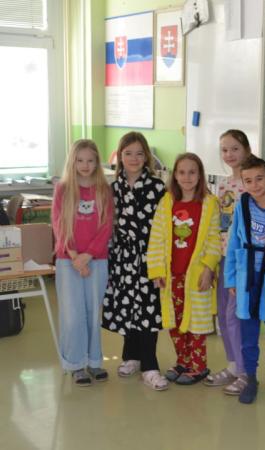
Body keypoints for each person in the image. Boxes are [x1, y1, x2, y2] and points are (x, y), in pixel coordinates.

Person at [147, 153, 220, 385]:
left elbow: (214, 239)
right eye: (181, 172)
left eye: (192, 172)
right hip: (172, 275)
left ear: (200, 175)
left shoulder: (209, 204)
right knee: (176, 323)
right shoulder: (167, 202)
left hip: (196, 276)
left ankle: (198, 367)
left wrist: (208, 268)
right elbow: (156, 237)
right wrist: (157, 270)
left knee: (196, 323)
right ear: (175, 176)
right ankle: (183, 361)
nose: (187, 177)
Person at [102, 132, 167, 391]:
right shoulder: (113, 188)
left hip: (149, 257)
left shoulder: (157, 187)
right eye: (128, 153)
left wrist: (161, 261)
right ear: (120, 156)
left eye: (139, 153)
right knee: (127, 306)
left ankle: (150, 365)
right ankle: (131, 356)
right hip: (121, 257)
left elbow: (164, 227)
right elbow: (108, 225)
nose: (134, 158)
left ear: (147, 157)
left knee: (148, 310)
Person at [224, 155, 265, 404]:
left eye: (259, 179)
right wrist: (231, 279)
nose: (255, 185)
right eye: (248, 180)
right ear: (243, 183)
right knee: (249, 335)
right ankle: (251, 378)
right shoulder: (242, 205)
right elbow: (234, 243)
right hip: (246, 279)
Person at [51, 139, 113, 386]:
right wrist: (75, 256)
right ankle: (75, 363)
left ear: (97, 162)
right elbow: (59, 225)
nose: (85, 165)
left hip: (96, 260)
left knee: (92, 313)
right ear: (73, 161)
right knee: (73, 315)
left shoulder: (104, 190)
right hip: (69, 261)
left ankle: (94, 361)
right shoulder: (63, 189)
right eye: (80, 160)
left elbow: (106, 226)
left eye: (90, 160)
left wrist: (88, 255)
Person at [203, 130, 251, 395]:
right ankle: (233, 365)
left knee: (235, 315)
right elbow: (219, 225)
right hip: (224, 258)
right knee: (222, 314)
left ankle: (245, 371)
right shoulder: (223, 185)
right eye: (224, 150)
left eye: (234, 148)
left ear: (246, 149)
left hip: (243, 260)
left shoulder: (253, 181)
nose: (229, 154)